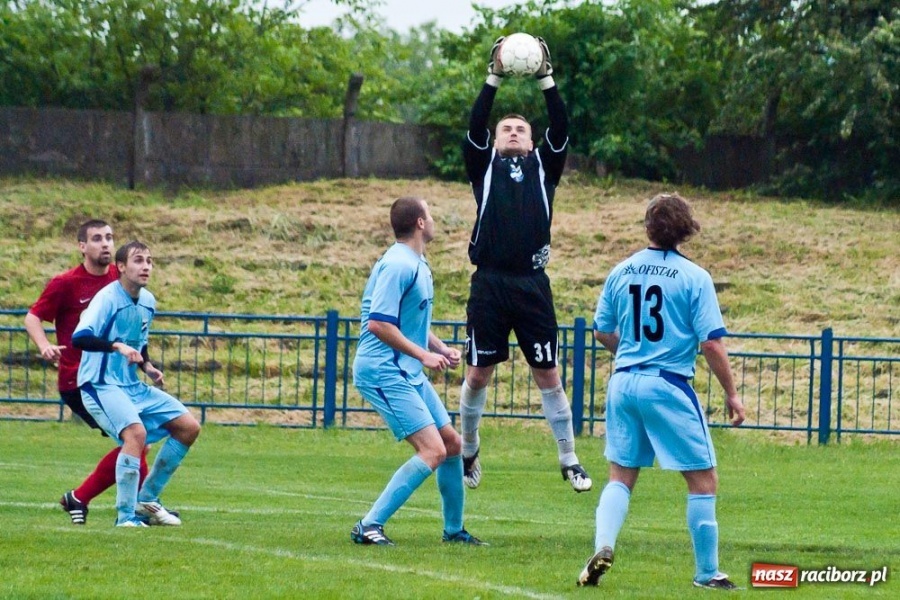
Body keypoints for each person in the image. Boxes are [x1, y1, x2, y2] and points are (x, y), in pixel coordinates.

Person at [577, 193, 746, 589]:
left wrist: (633, 352)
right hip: (667, 383)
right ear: (687, 229)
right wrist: (732, 393)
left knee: (620, 476)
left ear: (648, 227)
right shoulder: (694, 277)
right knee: (703, 480)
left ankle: (603, 546)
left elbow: (602, 330)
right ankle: (707, 573)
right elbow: (711, 342)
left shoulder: (622, 270)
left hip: (624, 382)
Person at [458, 36, 591, 492]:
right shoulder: (484, 166)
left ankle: (569, 458)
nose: (513, 133)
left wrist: (546, 79)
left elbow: (561, 123)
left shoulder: (544, 167)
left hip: (532, 285)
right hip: (490, 284)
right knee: (478, 373)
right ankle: (469, 448)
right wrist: (493, 77)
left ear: (533, 142)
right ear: (494, 141)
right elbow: (475, 122)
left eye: (520, 129)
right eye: (505, 129)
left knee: (548, 374)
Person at [350, 197, 485, 546]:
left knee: (452, 444)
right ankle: (369, 525)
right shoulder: (398, 264)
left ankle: (453, 531)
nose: (434, 219)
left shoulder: (416, 262)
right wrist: (423, 355)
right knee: (432, 451)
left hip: (405, 369)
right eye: (430, 213)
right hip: (383, 370)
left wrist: (438, 348)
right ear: (421, 223)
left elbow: (406, 322)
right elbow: (379, 323)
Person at [24, 219, 153, 525]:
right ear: (82, 247)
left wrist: (145, 362)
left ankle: (89, 499)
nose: (105, 243)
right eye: (97, 238)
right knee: (136, 440)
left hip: (115, 380)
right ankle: (131, 505)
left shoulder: (120, 279)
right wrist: (44, 345)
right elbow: (33, 317)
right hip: (80, 381)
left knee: (139, 441)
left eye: (109, 237)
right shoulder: (66, 283)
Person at [73, 240, 201, 527]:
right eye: (138, 260)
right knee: (136, 434)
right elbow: (80, 337)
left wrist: (147, 365)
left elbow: (138, 342)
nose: (146, 267)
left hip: (130, 385)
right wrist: (116, 346)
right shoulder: (107, 298)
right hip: (100, 383)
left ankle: (147, 499)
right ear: (121, 267)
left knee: (188, 427)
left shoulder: (148, 301)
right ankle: (126, 517)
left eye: (149, 261)